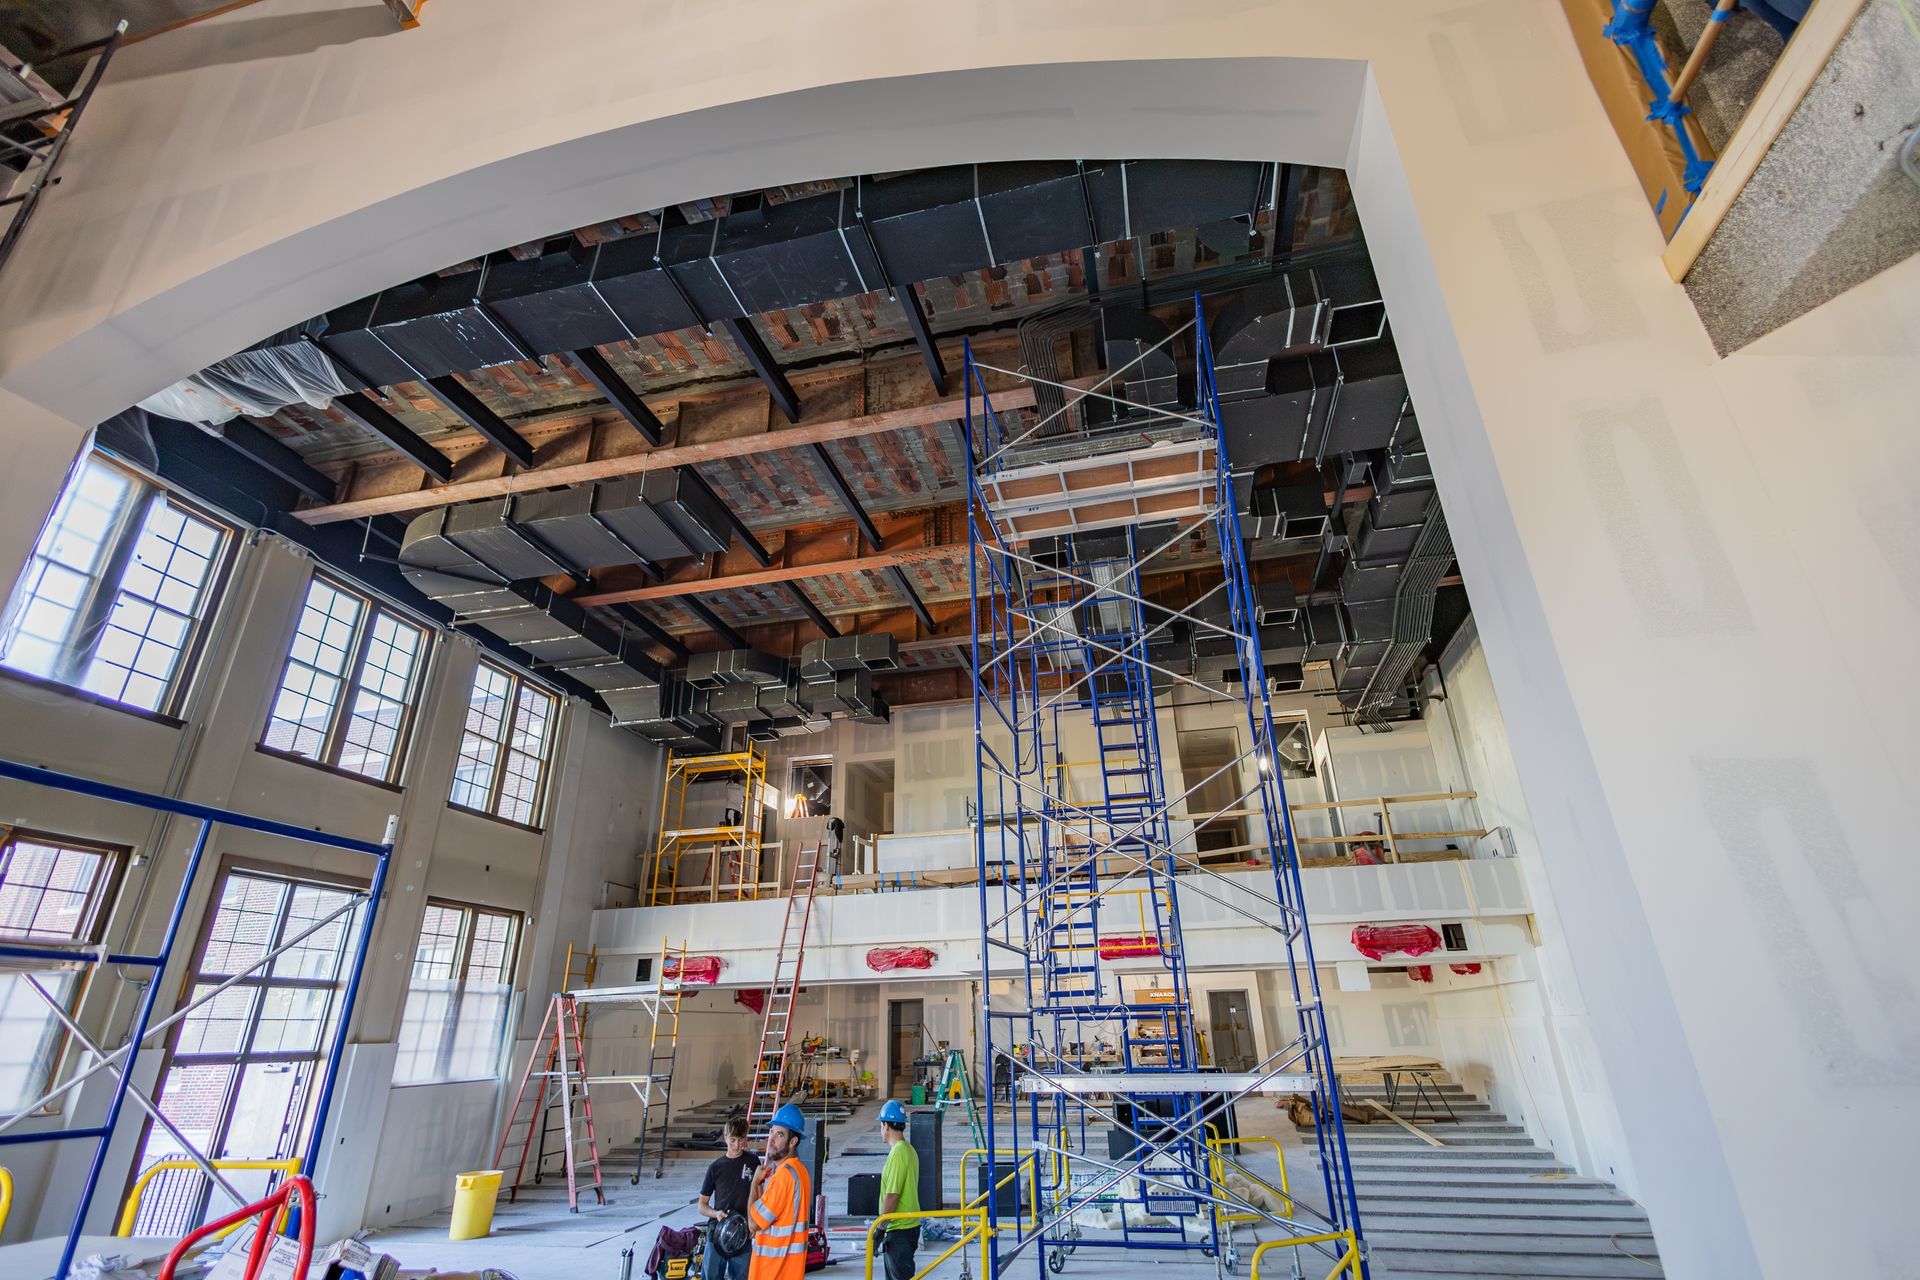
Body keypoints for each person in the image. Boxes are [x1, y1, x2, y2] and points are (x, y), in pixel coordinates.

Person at [747, 1104, 813, 1280]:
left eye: (780, 1135)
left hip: (772, 1272)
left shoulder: (783, 1177)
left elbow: (753, 1224)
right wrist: (761, 1185)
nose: (771, 1139)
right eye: (772, 1132)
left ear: (793, 1142)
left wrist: (754, 1183)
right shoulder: (800, 1172)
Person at [698, 1117, 761, 1280]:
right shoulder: (715, 1167)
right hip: (717, 1233)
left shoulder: (753, 1162)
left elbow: (760, 1195)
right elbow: (702, 1205)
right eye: (732, 1140)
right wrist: (716, 1213)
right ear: (725, 1138)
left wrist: (755, 1223)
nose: (737, 1145)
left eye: (741, 1140)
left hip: (743, 1233)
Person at [875, 1099, 920, 1280]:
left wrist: (880, 1228)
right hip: (906, 1228)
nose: (881, 1130)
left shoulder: (899, 1152)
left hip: (900, 1229)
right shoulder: (908, 1149)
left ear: (886, 1125)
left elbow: (892, 1195)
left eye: (881, 1125)